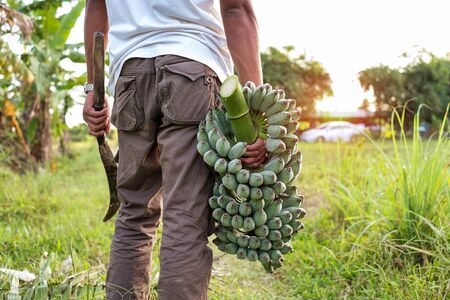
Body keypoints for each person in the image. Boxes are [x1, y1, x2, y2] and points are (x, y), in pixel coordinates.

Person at [83, 1, 266, 299]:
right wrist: (256, 106)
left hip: (131, 76)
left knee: (133, 213)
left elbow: (95, 7)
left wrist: (92, 87)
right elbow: (236, 10)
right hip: (193, 68)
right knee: (185, 215)